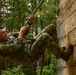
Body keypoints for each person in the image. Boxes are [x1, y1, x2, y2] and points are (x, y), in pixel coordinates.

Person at [0, 14, 73, 64]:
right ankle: (64, 56)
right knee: (44, 36)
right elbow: (17, 46)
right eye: (3, 33)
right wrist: (21, 33)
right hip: (30, 54)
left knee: (51, 27)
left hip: (32, 43)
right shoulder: (2, 48)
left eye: (4, 31)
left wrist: (29, 22)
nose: (5, 33)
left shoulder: (9, 36)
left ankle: (58, 52)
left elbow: (23, 33)